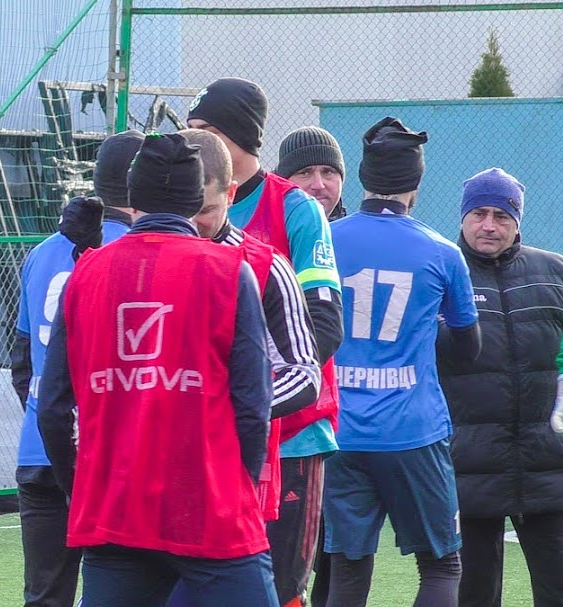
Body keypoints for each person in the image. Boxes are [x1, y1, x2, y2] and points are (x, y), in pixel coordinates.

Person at [38, 133, 278, 607]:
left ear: (131, 196)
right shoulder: (230, 270)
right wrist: (240, 489)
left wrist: (83, 487)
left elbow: (52, 409)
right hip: (212, 509)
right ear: (197, 197)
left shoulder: (86, 273)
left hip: (116, 509)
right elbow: (253, 406)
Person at [187, 78, 343, 607]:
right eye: (191, 131)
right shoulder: (184, 202)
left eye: (205, 131)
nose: (194, 142)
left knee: (279, 590)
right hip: (208, 435)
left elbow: (324, 329)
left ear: (240, 139)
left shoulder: (296, 210)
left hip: (291, 434)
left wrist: (244, 402)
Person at [325, 117, 481, 607]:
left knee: (348, 567)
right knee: (441, 565)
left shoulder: (326, 239)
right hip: (414, 430)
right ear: (415, 183)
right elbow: (468, 349)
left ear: (363, 179)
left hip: (341, 430)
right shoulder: (441, 251)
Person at [10, 129, 142, 607]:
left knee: (44, 595)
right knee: (123, 589)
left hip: (39, 447)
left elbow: (21, 362)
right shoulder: (140, 253)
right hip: (110, 450)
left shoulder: (42, 252)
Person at [437, 167, 563, 607]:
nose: (488, 225)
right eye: (479, 214)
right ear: (463, 217)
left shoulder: (554, 273)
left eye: (501, 215)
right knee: (473, 595)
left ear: (517, 221)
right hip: (467, 468)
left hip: (549, 467)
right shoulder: (439, 271)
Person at [275, 124, 349, 607]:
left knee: (331, 555)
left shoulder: (344, 237)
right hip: (289, 418)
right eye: (305, 172)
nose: (319, 183)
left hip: (320, 422)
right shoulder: (278, 224)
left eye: (329, 172)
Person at [277, 126, 348, 221]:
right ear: (284, 181)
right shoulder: (262, 233)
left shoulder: (354, 233)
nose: (319, 185)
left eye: (327, 172)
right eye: (305, 173)